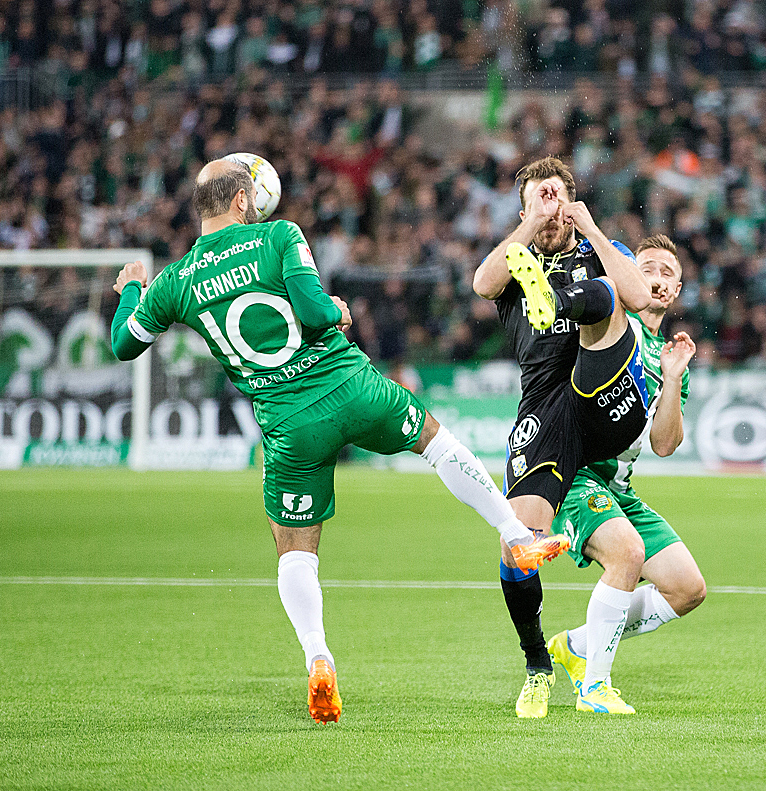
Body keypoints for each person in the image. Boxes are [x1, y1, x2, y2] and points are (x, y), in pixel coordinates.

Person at [108, 158, 569, 724]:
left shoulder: (175, 281)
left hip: (288, 424)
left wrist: (132, 290)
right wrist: (339, 311)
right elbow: (312, 310)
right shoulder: (278, 235)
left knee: (295, 550)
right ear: (241, 202)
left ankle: (319, 658)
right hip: (350, 388)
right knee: (437, 442)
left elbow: (124, 346)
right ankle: (515, 535)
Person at [472, 155, 652, 718]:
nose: (551, 211)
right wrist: (531, 221)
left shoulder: (600, 247)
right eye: (538, 200)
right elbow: (481, 284)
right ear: (524, 210)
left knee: (607, 296)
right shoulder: (515, 259)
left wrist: (591, 228)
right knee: (518, 549)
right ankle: (538, 664)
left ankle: (558, 304)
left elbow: (641, 297)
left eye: (557, 198)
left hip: (603, 394)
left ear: (573, 203)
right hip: (546, 412)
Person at [545, 234, 707, 714]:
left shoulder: (671, 356)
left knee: (687, 588)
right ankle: (595, 686)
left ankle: (577, 646)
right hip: (573, 474)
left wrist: (673, 376)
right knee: (628, 554)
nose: (655, 279)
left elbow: (664, 445)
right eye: (646, 268)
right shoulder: (611, 322)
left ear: (676, 291)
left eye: (666, 273)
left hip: (619, 488)